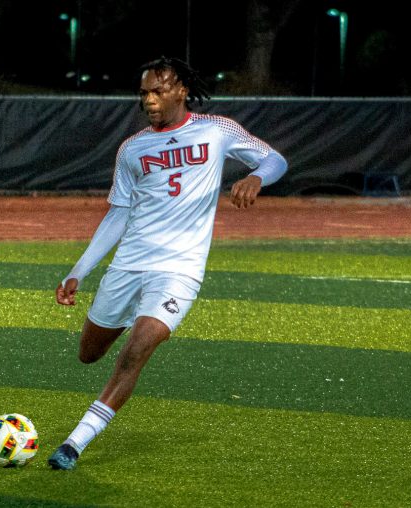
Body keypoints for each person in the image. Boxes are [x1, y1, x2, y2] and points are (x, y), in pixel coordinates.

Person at [48, 56, 288, 470]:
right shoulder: (133, 148)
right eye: (144, 93)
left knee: (137, 350)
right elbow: (118, 213)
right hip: (128, 266)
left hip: (179, 270)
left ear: (181, 90)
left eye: (158, 91)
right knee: (89, 353)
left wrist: (256, 177)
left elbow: (276, 160)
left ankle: (74, 444)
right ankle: (131, 313)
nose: (149, 100)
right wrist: (79, 269)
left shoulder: (217, 130)